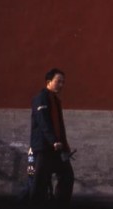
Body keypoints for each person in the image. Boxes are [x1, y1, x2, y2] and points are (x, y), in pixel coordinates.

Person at [29, 68, 74, 208]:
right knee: (39, 183)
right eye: (58, 81)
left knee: (67, 176)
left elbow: (59, 126)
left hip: (57, 149)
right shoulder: (41, 99)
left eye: (63, 82)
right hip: (43, 148)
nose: (61, 85)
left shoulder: (56, 100)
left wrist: (65, 145)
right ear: (48, 82)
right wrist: (53, 141)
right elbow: (43, 122)